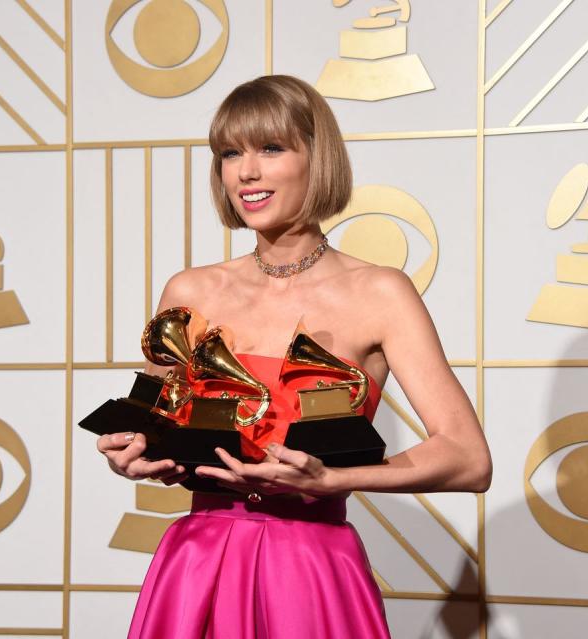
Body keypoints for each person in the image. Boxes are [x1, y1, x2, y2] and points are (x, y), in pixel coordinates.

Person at [97, 75, 492, 638]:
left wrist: (334, 477)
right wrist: (129, 453)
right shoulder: (189, 292)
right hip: (197, 566)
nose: (246, 172)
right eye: (230, 153)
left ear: (318, 159)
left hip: (309, 571)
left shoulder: (380, 292)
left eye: (271, 148)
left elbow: (469, 459)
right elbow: (147, 427)